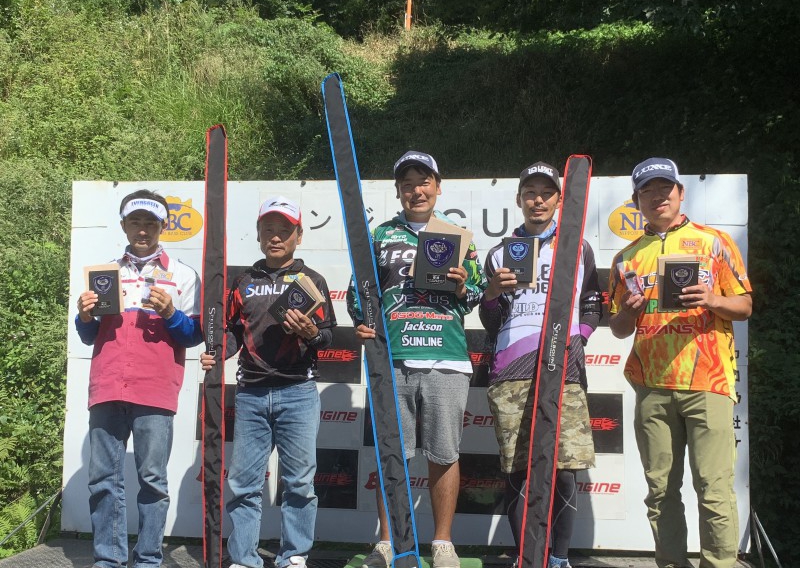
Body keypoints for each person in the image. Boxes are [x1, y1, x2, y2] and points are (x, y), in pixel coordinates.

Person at [608, 158, 752, 568]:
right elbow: (618, 328)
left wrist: (713, 300)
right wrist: (629, 314)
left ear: (680, 192)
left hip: (708, 383)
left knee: (714, 488)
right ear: (636, 200)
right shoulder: (626, 256)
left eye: (665, 187)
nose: (658, 196)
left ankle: (719, 564)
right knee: (660, 491)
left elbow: (745, 305)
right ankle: (671, 563)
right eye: (648, 191)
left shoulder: (715, 241)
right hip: (652, 385)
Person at [348, 151, 486, 568]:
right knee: (394, 454)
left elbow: (479, 296)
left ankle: (442, 543)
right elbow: (358, 293)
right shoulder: (379, 235)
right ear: (398, 192)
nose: (416, 190)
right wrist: (364, 322)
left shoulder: (458, 235)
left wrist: (463, 287)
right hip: (394, 358)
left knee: (444, 454)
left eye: (424, 181)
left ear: (438, 187)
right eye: (407, 183)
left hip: (446, 357)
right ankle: (387, 542)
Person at [200, 195, 336, 568]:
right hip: (251, 395)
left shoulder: (313, 281)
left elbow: (328, 338)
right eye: (269, 230)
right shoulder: (243, 281)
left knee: (299, 484)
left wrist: (310, 332)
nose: (276, 237)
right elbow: (230, 332)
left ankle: (294, 556)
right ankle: (244, 558)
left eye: (284, 230)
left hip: (299, 393)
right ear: (259, 235)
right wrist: (217, 351)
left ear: (299, 235)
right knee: (244, 483)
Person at [479, 162, 601, 568]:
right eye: (530, 192)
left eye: (546, 192)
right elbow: (492, 320)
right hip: (512, 371)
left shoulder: (577, 247)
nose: (538, 200)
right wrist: (493, 292)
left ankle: (560, 558)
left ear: (559, 199)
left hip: (562, 369)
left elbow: (592, 305)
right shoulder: (498, 252)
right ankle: (527, 558)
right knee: (519, 470)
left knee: (564, 470)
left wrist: (575, 339)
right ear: (519, 200)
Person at [75, 189, 203, 568]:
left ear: (164, 226)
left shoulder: (182, 274)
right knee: (103, 479)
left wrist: (171, 315)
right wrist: (83, 316)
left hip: (155, 389)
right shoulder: (104, 273)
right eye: (136, 221)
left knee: (152, 480)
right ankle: (108, 559)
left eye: (151, 222)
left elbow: (194, 335)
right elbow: (88, 335)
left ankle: (147, 559)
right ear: (123, 226)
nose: (143, 229)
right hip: (107, 384)